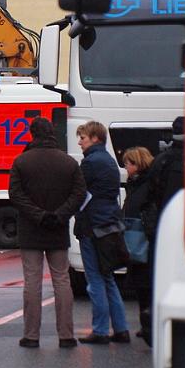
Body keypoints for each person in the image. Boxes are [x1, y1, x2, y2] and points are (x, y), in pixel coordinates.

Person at [8, 117, 86, 348]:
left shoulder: (22, 161)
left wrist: (38, 215)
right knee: (62, 280)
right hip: (58, 228)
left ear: (32, 134)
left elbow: (16, 195)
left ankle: (31, 335)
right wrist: (60, 214)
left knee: (32, 281)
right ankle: (66, 335)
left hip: (32, 228)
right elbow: (79, 193)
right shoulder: (68, 163)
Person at [73, 121, 129, 345]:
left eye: (83, 138)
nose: (79, 142)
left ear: (95, 138)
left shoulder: (90, 163)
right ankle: (121, 328)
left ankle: (100, 329)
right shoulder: (109, 161)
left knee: (94, 279)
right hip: (109, 225)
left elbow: (78, 193)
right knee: (108, 278)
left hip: (92, 226)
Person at [121, 146, 154, 344]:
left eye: (128, 163)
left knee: (144, 284)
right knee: (142, 285)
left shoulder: (144, 184)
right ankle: (145, 324)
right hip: (138, 235)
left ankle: (148, 324)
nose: (126, 168)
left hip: (141, 236)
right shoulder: (137, 183)